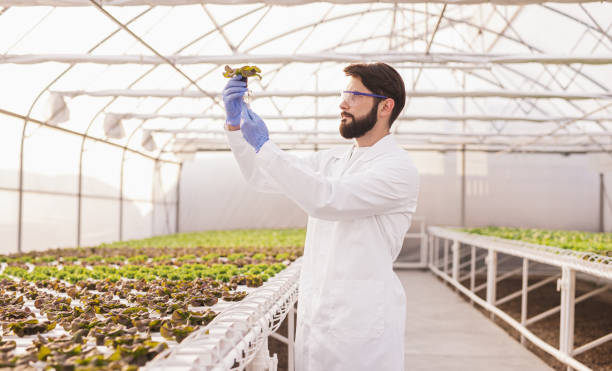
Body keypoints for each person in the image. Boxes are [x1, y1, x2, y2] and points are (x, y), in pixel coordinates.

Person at [222, 62, 419, 371]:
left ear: (386, 106)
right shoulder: (333, 160)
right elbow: (263, 177)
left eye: (354, 95)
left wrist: (266, 144)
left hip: (360, 329)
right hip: (318, 317)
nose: (342, 104)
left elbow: (327, 200)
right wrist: (236, 128)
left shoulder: (397, 169)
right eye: (344, 94)